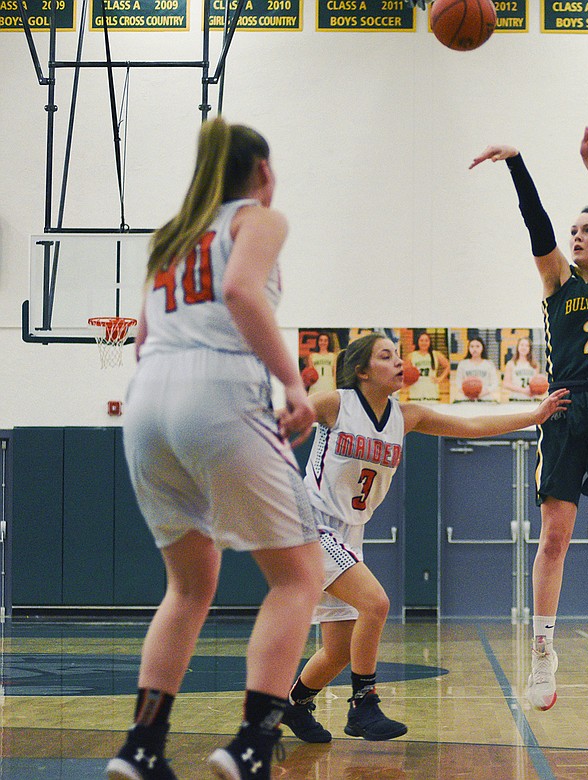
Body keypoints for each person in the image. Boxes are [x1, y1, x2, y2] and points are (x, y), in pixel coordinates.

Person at [107, 118, 325, 780]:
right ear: (262, 171)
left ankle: (142, 747)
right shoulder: (258, 219)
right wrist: (292, 383)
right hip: (218, 390)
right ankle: (252, 743)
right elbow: (239, 291)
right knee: (298, 577)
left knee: (189, 584)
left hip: (146, 400)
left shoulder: (170, 237)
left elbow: (142, 339)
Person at [283, 333, 570, 743]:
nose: (399, 362)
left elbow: (470, 425)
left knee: (339, 651)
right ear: (362, 371)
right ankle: (364, 705)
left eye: (398, 355)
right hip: (312, 524)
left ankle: (293, 706)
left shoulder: (406, 416)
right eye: (386, 356)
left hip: (349, 533)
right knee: (376, 604)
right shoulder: (336, 404)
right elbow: (284, 416)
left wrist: (533, 416)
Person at [471, 115, 588, 710]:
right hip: (567, 405)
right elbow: (536, 224)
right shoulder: (556, 281)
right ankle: (543, 654)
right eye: (573, 230)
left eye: (586, 229)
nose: (576, 236)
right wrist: (518, 162)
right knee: (555, 536)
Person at [453, 336, 500, 402]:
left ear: (482, 348)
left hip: (485, 398)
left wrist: (482, 393)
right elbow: (458, 382)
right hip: (466, 398)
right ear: (468, 348)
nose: (474, 349)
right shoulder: (463, 363)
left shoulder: (489, 364)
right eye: (472, 346)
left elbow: (495, 383)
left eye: (477, 346)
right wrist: (468, 393)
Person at [405, 331, 449, 402]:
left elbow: (448, 366)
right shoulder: (411, 355)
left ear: (430, 342)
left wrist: (440, 378)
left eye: (426, 340)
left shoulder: (436, 354)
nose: (424, 343)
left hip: (431, 388)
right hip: (416, 388)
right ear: (418, 342)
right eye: (421, 340)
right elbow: (405, 372)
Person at [502, 336, 541, 400]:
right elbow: (506, 384)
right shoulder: (511, 364)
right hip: (515, 398)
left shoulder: (535, 365)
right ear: (518, 347)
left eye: (527, 346)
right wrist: (523, 390)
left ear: (530, 349)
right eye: (521, 345)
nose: (524, 348)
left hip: (531, 399)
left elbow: (536, 384)